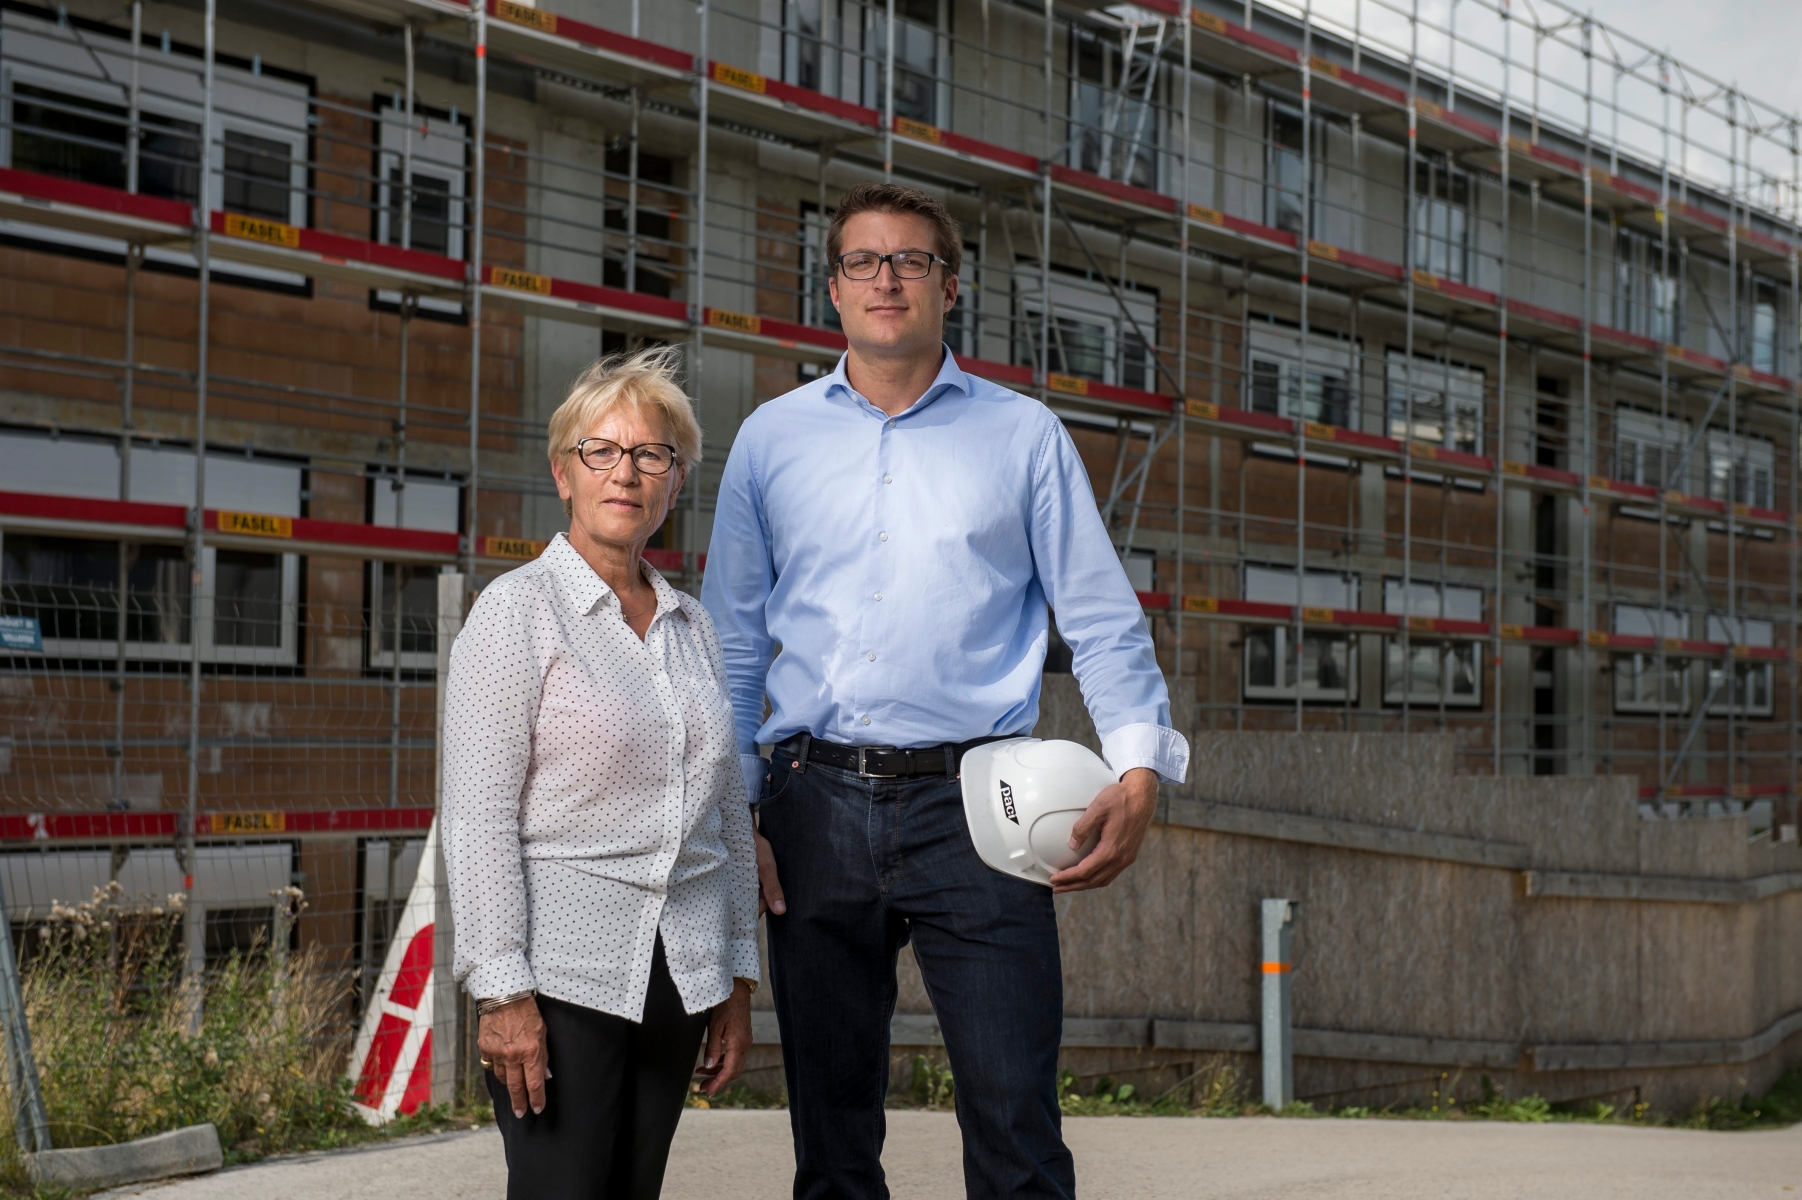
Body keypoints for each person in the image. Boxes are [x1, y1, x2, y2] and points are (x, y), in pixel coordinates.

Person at [702, 183, 1190, 1199]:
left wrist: (1139, 767)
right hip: (808, 804)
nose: (885, 278)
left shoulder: (1024, 438)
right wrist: (731, 806)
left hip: (984, 808)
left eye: (909, 260)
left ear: (949, 287)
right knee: (829, 1136)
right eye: (862, 262)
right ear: (831, 290)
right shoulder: (768, 440)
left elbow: (1099, 620)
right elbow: (733, 645)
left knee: (1014, 1119)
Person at [442, 347, 760, 1200]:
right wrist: (502, 991)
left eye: (652, 454)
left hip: (677, 980)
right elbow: (477, 818)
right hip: (560, 979)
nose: (626, 472)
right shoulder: (517, 612)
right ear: (563, 472)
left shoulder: (693, 628)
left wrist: (736, 975)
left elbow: (728, 810)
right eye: (602, 451)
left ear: (675, 481)